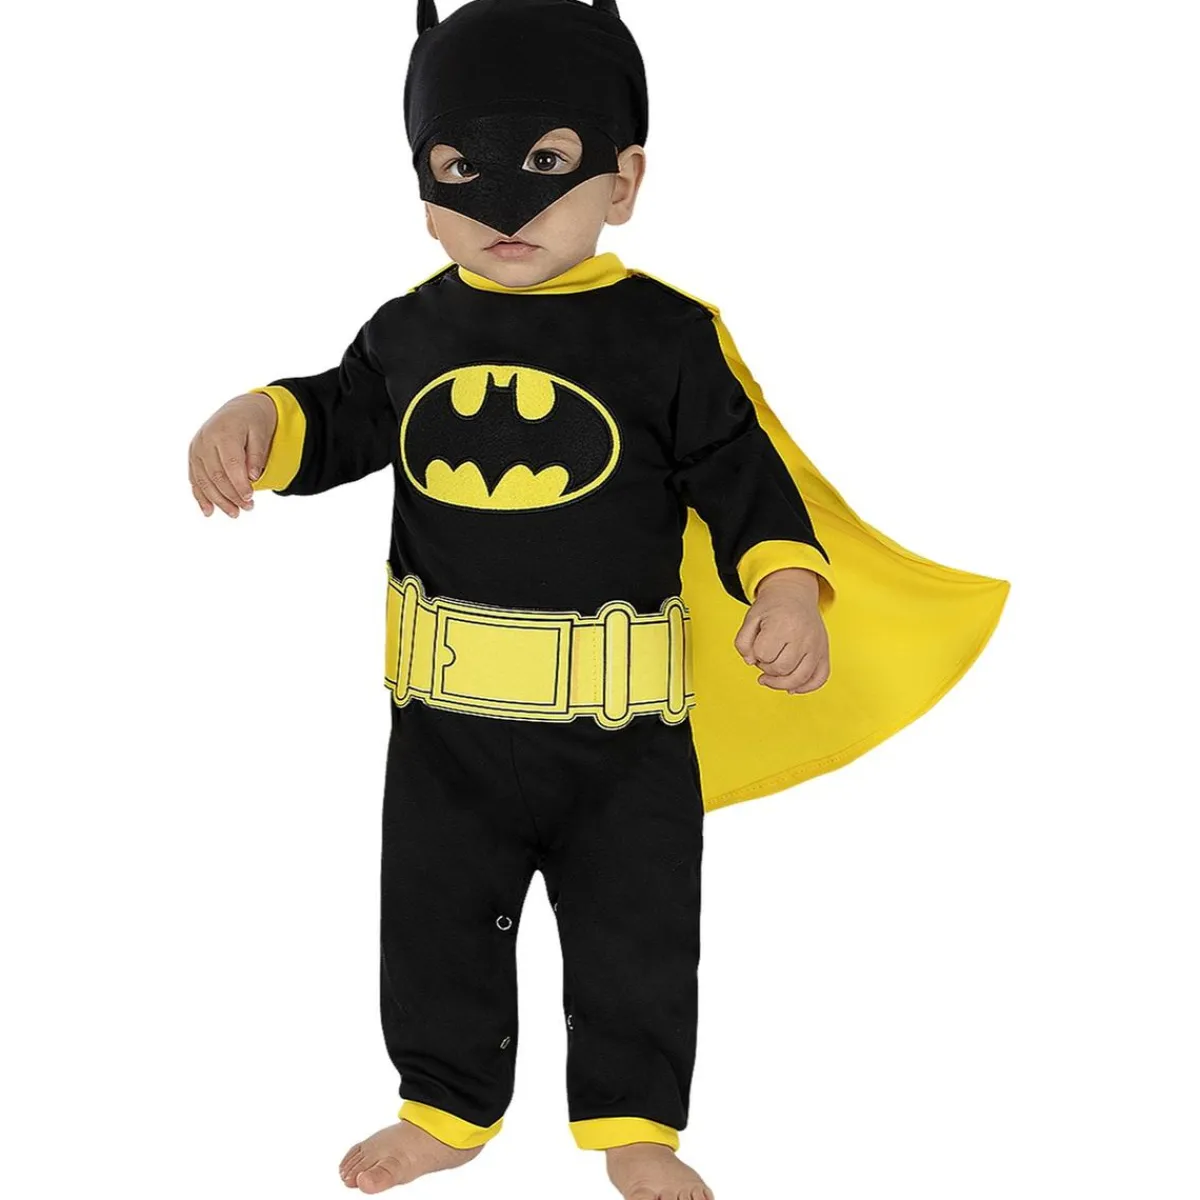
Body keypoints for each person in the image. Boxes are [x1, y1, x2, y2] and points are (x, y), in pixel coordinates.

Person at [186, 2, 1008, 1196]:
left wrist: (789, 586)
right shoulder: (411, 331)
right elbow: (339, 417)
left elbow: (744, 480)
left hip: (625, 738)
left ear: (623, 181)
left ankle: (636, 1129)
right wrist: (259, 417)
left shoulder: (663, 338)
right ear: (421, 184)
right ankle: (444, 1107)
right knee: (432, 922)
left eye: (547, 162)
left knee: (636, 934)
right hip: (447, 730)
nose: (503, 206)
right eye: (459, 168)